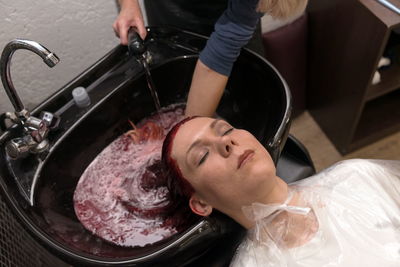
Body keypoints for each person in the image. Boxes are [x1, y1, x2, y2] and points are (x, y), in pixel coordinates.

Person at [161, 116, 400, 266]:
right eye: (202, 156)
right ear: (201, 204)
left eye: (225, 129)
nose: (226, 142)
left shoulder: (357, 177)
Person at [113, 0, 308, 117]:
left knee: (249, 104)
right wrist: (128, 4)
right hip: (168, 14)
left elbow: (220, 55)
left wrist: (186, 137)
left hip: (232, 28)